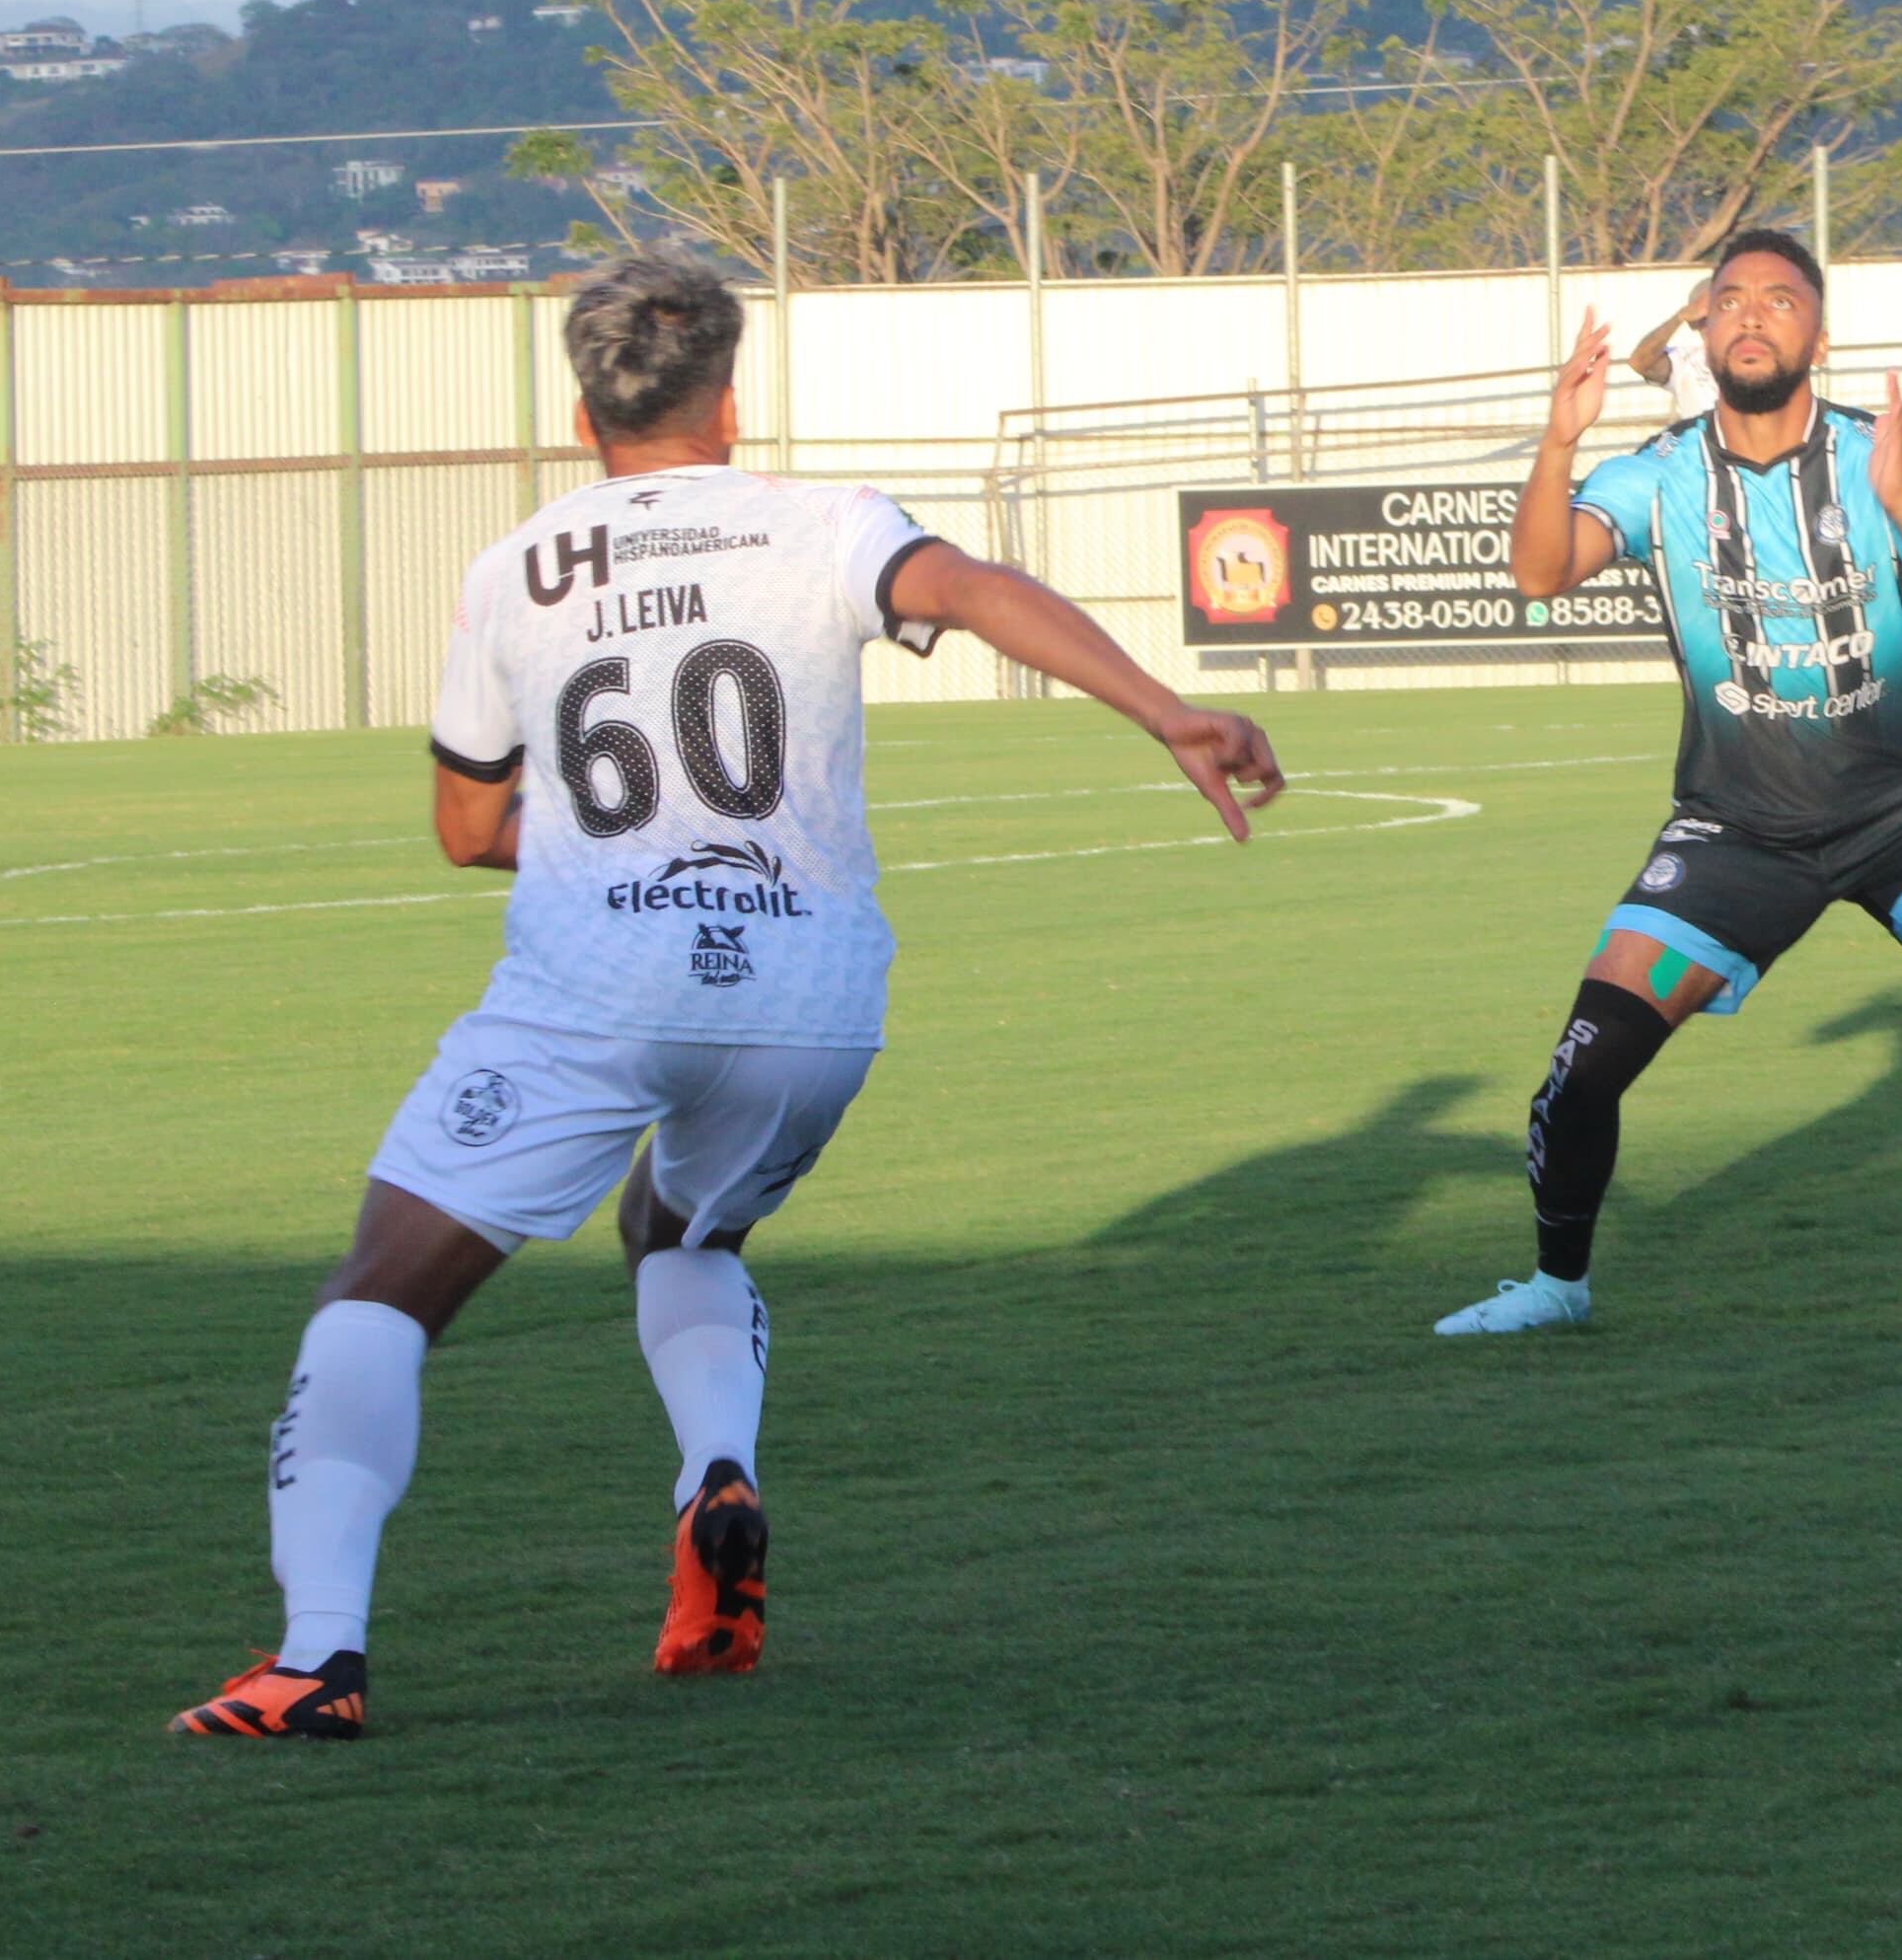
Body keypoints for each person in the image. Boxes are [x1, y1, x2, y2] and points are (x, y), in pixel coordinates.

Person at [174, 253, 1284, 1740]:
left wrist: (602, 841)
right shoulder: (825, 524)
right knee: (682, 1225)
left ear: (584, 413)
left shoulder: (515, 567)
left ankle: (316, 1659)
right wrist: (1167, 708)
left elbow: (463, 829)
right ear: (732, 399)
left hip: (598, 978)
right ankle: (715, 1473)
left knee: (378, 1296)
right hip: (811, 992)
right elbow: (965, 585)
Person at [1431, 227, 1902, 1338]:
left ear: (1819, 333)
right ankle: (1554, 1284)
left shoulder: (1888, 457)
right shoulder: (1659, 471)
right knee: (1582, 1071)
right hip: (1735, 831)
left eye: (1779, 299)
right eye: (1729, 299)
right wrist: (1555, 442)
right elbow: (1538, 573)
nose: (1751, 315)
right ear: (1704, 326)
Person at [1627, 283, 1721, 422]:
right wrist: (1679, 318)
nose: (1714, 324)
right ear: (1693, 321)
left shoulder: (1759, 357)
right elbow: (1639, 362)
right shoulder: (1686, 363)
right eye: (1704, 318)